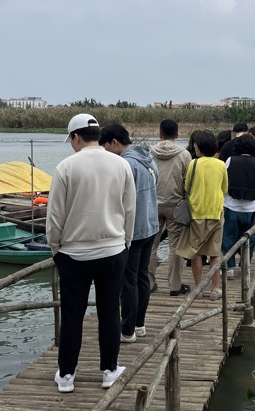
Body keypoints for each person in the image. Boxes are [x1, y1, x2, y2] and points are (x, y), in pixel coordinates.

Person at [47, 113, 135, 393]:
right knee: (109, 311)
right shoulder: (121, 165)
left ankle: (67, 376)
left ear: (76, 136)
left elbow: (55, 216)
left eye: (70, 139)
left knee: (72, 314)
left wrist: (55, 248)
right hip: (113, 250)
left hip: (73, 254)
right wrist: (126, 242)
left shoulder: (66, 167)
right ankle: (109, 370)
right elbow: (129, 209)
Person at [99, 123, 159, 343]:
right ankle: (139, 324)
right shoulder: (149, 160)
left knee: (128, 280)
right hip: (151, 225)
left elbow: (116, 198)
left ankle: (127, 330)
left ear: (114, 143)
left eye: (105, 147)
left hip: (133, 229)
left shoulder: (126, 163)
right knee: (142, 276)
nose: (105, 153)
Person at [175, 130, 227, 301]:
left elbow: (187, 186)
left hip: (196, 212)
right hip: (215, 212)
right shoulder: (221, 165)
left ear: (199, 147)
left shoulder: (193, 164)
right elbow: (224, 188)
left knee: (196, 253)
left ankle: (198, 289)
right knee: (214, 253)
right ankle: (215, 289)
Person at [148, 119, 191, 296]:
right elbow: (188, 182)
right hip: (176, 205)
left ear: (160, 134)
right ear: (177, 134)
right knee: (176, 246)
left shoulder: (149, 152)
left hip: (152, 204)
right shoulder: (184, 155)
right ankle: (175, 286)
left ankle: (149, 283)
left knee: (151, 245)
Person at [221, 134, 255, 279]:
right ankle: (245, 265)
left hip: (231, 206)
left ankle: (229, 268)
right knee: (250, 238)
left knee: (228, 237)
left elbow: (223, 177)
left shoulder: (230, 160)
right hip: (251, 209)